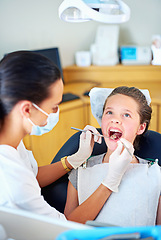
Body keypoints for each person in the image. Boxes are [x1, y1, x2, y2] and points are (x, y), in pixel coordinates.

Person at [0, 51, 133, 222]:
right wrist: (110, 182)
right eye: (54, 107)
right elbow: (64, 228)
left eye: (126, 115)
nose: (56, 113)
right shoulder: (11, 179)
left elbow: (32, 176)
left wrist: (73, 160)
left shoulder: (11, 141)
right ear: (27, 109)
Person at [64, 86, 161, 226]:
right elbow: (68, 228)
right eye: (109, 112)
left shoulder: (155, 174)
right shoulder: (81, 171)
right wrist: (110, 181)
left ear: (141, 128)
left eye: (126, 115)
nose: (115, 119)